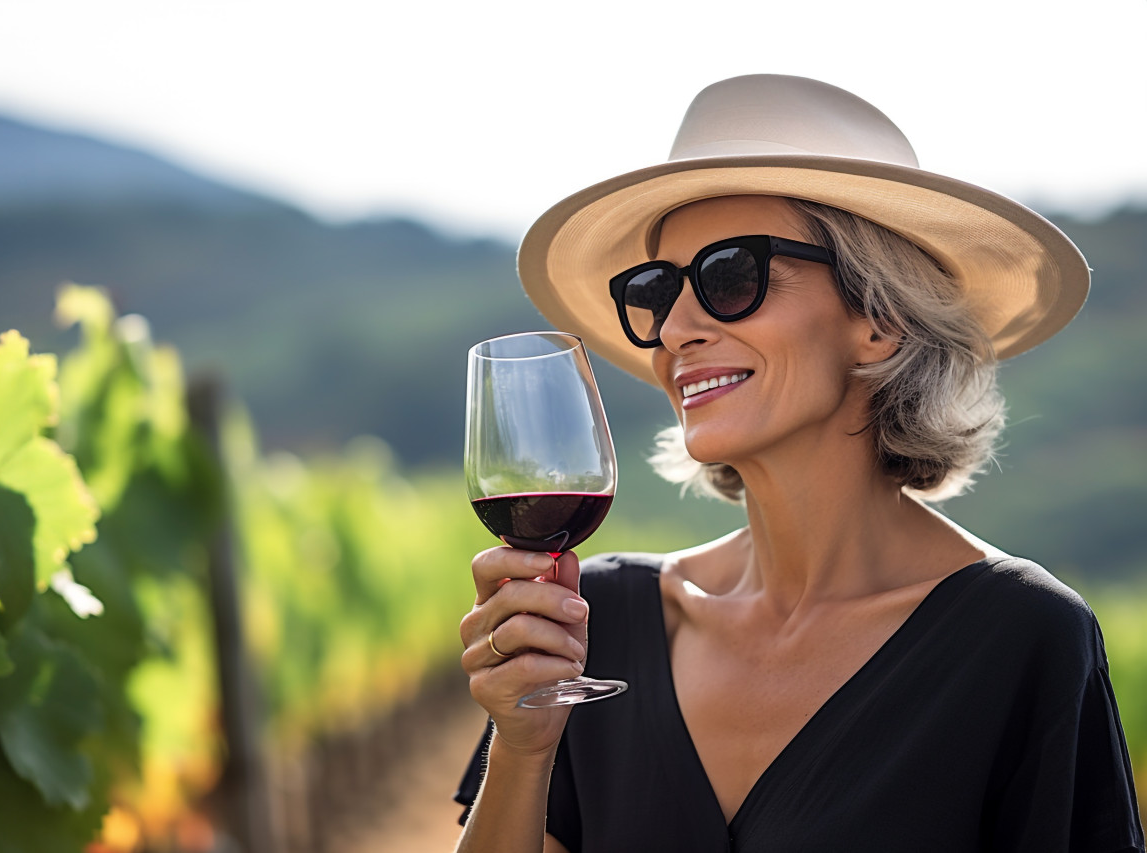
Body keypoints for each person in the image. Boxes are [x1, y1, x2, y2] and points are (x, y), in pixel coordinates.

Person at [451, 74, 1145, 852]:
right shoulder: (598, 621)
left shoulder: (1025, 638)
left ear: (879, 319)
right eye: (656, 289)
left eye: (730, 276)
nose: (675, 327)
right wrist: (522, 745)